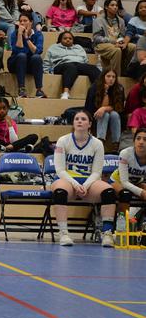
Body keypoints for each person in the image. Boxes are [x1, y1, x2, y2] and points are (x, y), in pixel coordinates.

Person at [51, 109, 117, 247]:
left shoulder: (97, 144)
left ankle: (107, 234)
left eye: (83, 119)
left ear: (90, 124)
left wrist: (85, 185)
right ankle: (64, 233)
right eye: (77, 119)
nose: (79, 121)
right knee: (59, 192)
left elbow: (97, 172)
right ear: (73, 123)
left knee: (109, 192)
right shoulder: (63, 141)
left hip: (89, 182)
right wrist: (75, 184)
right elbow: (60, 170)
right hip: (68, 181)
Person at [44, 31, 100, 100]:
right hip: (61, 65)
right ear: (60, 40)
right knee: (70, 66)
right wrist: (46, 72)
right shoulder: (53, 47)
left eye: (70, 38)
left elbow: (85, 61)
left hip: (78, 65)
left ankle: (100, 92)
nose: (68, 40)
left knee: (93, 68)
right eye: (65, 38)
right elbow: (46, 61)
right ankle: (65, 93)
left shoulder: (78, 47)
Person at [93, 0, 136, 78]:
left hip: (116, 43)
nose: (115, 7)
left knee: (132, 47)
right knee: (116, 50)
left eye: (116, 5)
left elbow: (121, 35)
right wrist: (113, 41)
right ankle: (116, 77)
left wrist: (120, 41)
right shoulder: (98, 20)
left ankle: (124, 70)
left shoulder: (121, 21)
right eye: (112, 5)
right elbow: (96, 38)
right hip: (102, 44)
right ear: (106, 7)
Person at [85, 69, 125, 152]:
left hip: (113, 117)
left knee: (114, 114)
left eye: (113, 77)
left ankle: (116, 144)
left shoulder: (119, 88)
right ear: (103, 77)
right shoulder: (94, 88)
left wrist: (104, 108)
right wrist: (105, 92)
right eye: (108, 76)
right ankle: (100, 142)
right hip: (95, 116)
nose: (111, 79)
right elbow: (89, 108)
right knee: (105, 114)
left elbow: (119, 108)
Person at [7, 12, 45, 98]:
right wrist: (20, 34)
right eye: (20, 21)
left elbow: (38, 51)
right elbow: (18, 50)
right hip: (16, 63)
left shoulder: (38, 34)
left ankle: (39, 90)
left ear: (31, 22)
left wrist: (27, 38)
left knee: (37, 57)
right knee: (21, 56)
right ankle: (21, 89)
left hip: (30, 64)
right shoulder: (14, 34)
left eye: (25, 20)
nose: (22, 23)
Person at [112, 127, 146, 219]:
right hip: (118, 181)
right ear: (134, 141)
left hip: (136, 183)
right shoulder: (125, 153)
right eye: (138, 138)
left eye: (145, 139)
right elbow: (124, 182)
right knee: (125, 194)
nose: (141, 142)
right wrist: (142, 192)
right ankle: (121, 225)